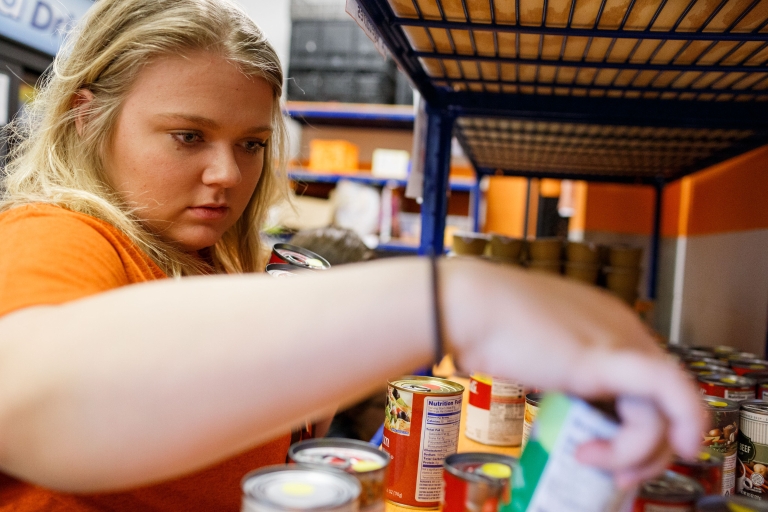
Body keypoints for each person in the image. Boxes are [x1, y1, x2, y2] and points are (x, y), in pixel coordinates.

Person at [0, 0, 705, 510]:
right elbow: (26, 401)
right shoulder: (57, 231)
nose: (227, 174)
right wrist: (455, 299)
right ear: (85, 117)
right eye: (188, 136)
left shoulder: (212, 257)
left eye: (250, 144)